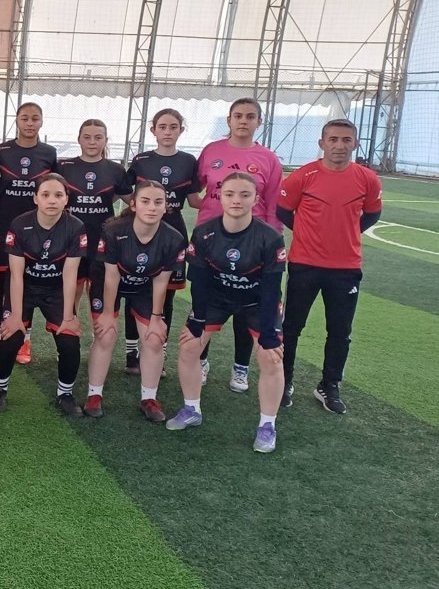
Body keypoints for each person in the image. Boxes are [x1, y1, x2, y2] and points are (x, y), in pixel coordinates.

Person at [167, 172, 287, 452]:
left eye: (245, 195)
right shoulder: (203, 233)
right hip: (216, 298)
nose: (236, 200)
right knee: (188, 346)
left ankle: (267, 426)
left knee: (271, 358)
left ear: (256, 199)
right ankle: (191, 409)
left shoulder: (270, 238)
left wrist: (270, 333)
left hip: (257, 301)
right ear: (219, 197)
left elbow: (272, 289)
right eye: (230, 194)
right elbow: (199, 281)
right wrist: (197, 319)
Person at [277, 119, 382, 414]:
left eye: (346, 140)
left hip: (346, 268)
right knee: (291, 327)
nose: (339, 145)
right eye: (333, 139)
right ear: (322, 143)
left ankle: (329, 385)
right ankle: (284, 381)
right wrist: (308, 233)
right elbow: (283, 211)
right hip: (304, 264)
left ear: (355, 144)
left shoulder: (368, 179)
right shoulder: (302, 176)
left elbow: (372, 214)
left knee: (340, 330)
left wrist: (346, 234)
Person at [190, 97, 283, 394]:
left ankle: (240, 368)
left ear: (259, 122)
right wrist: (204, 208)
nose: (244, 121)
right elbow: (194, 188)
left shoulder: (269, 159)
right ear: (229, 120)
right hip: (211, 241)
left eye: (250, 116)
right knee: (206, 299)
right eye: (238, 115)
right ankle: (201, 361)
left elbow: (273, 204)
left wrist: (272, 241)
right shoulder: (211, 151)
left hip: (253, 244)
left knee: (247, 305)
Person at [83, 180, 186, 421]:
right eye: (145, 201)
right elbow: (111, 275)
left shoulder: (173, 238)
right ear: (133, 204)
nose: (152, 207)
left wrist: (157, 318)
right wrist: (107, 314)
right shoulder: (114, 231)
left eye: (158, 202)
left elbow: (161, 280)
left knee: (154, 338)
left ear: (166, 206)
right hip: (108, 282)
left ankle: (149, 398)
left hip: (144, 286)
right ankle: (94, 394)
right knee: (106, 334)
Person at [0, 174, 86, 416]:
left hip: (55, 290)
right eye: (45, 195)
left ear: (66, 199)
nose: (52, 200)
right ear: (35, 198)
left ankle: (65, 394)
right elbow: (15, 275)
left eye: (58, 195)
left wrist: (68, 317)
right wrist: (15, 315)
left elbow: (70, 274)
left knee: (69, 340)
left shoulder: (75, 227)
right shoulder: (19, 224)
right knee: (11, 336)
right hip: (25, 287)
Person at [124, 109, 200, 376]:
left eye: (173, 127)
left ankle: (160, 350)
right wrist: (140, 209)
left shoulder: (189, 161)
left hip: (173, 233)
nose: (168, 131)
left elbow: (194, 199)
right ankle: (132, 353)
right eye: (163, 126)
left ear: (181, 130)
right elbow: (124, 191)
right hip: (140, 232)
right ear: (153, 130)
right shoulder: (141, 160)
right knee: (134, 289)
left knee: (166, 294)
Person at [0, 102, 57, 363]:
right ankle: (1, 336)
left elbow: (54, 187)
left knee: (28, 283)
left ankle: (24, 340)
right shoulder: (2, 150)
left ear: (42, 122)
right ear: (16, 120)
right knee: (1, 283)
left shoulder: (49, 153)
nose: (29, 123)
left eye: (34, 118)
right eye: (25, 118)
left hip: (37, 230)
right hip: (4, 225)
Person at [57, 119, 132, 334]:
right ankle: (70, 335)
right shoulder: (64, 167)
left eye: (98, 137)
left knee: (98, 293)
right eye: (87, 137)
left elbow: (133, 201)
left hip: (103, 242)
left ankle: (98, 339)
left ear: (106, 140)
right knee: (73, 289)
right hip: (71, 241)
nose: (92, 142)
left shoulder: (116, 170)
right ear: (78, 139)